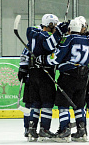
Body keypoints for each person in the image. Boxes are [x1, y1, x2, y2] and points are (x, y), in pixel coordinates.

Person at [35, 19, 89, 142]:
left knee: (63, 104)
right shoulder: (88, 41)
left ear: (70, 29)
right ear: (81, 28)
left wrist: (42, 59)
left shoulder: (68, 39)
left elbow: (56, 58)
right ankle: (81, 131)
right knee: (79, 105)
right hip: (83, 77)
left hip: (68, 76)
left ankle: (64, 131)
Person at [22, 14, 69, 142]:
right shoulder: (45, 36)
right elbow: (49, 46)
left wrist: (22, 67)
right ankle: (44, 130)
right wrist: (59, 32)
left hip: (33, 73)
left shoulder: (34, 34)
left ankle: (31, 129)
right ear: (50, 25)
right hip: (45, 73)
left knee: (36, 102)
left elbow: (27, 50)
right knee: (47, 103)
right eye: (55, 25)